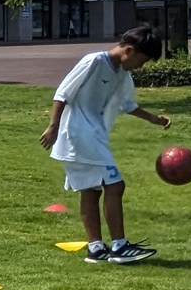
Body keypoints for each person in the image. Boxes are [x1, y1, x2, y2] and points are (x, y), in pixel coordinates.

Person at [41, 22, 171, 263]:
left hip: (92, 136)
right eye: (141, 61)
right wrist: (53, 126)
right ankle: (119, 247)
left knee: (91, 190)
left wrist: (154, 119)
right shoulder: (93, 62)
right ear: (129, 50)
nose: (140, 67)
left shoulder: (122, 73)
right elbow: (62, 93)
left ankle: (96, 249)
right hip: (78, 135)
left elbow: (126, 104)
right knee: (115, 185)